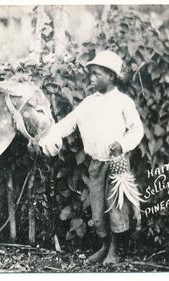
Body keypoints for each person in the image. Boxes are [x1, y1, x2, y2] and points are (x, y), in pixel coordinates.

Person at [39, 50, 144, 265]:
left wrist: (122, 144)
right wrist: (48, 136)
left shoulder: (123, 102)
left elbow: (137, 130)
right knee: (97, 211)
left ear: (111, 76)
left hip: (116, 163)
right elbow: (68, 123)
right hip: (96, 164)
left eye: (97, 74)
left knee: (115, 207)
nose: (92, 78)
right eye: (91, 74)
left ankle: (114, 249)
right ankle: (104, 245)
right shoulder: (89, 102)